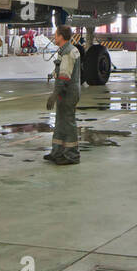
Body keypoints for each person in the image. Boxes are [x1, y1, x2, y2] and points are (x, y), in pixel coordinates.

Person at [45, 25, 81, 166]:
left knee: (68, 122)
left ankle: (72, 155)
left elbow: (64, 76)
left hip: (68, 92)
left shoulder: (68, 52)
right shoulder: (66, 50)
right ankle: (57, 152)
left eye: (55, 34)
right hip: (65, 92)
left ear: (61, 36)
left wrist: (54, 94)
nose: (54, 37)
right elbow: (60, 71)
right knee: (60, 121)